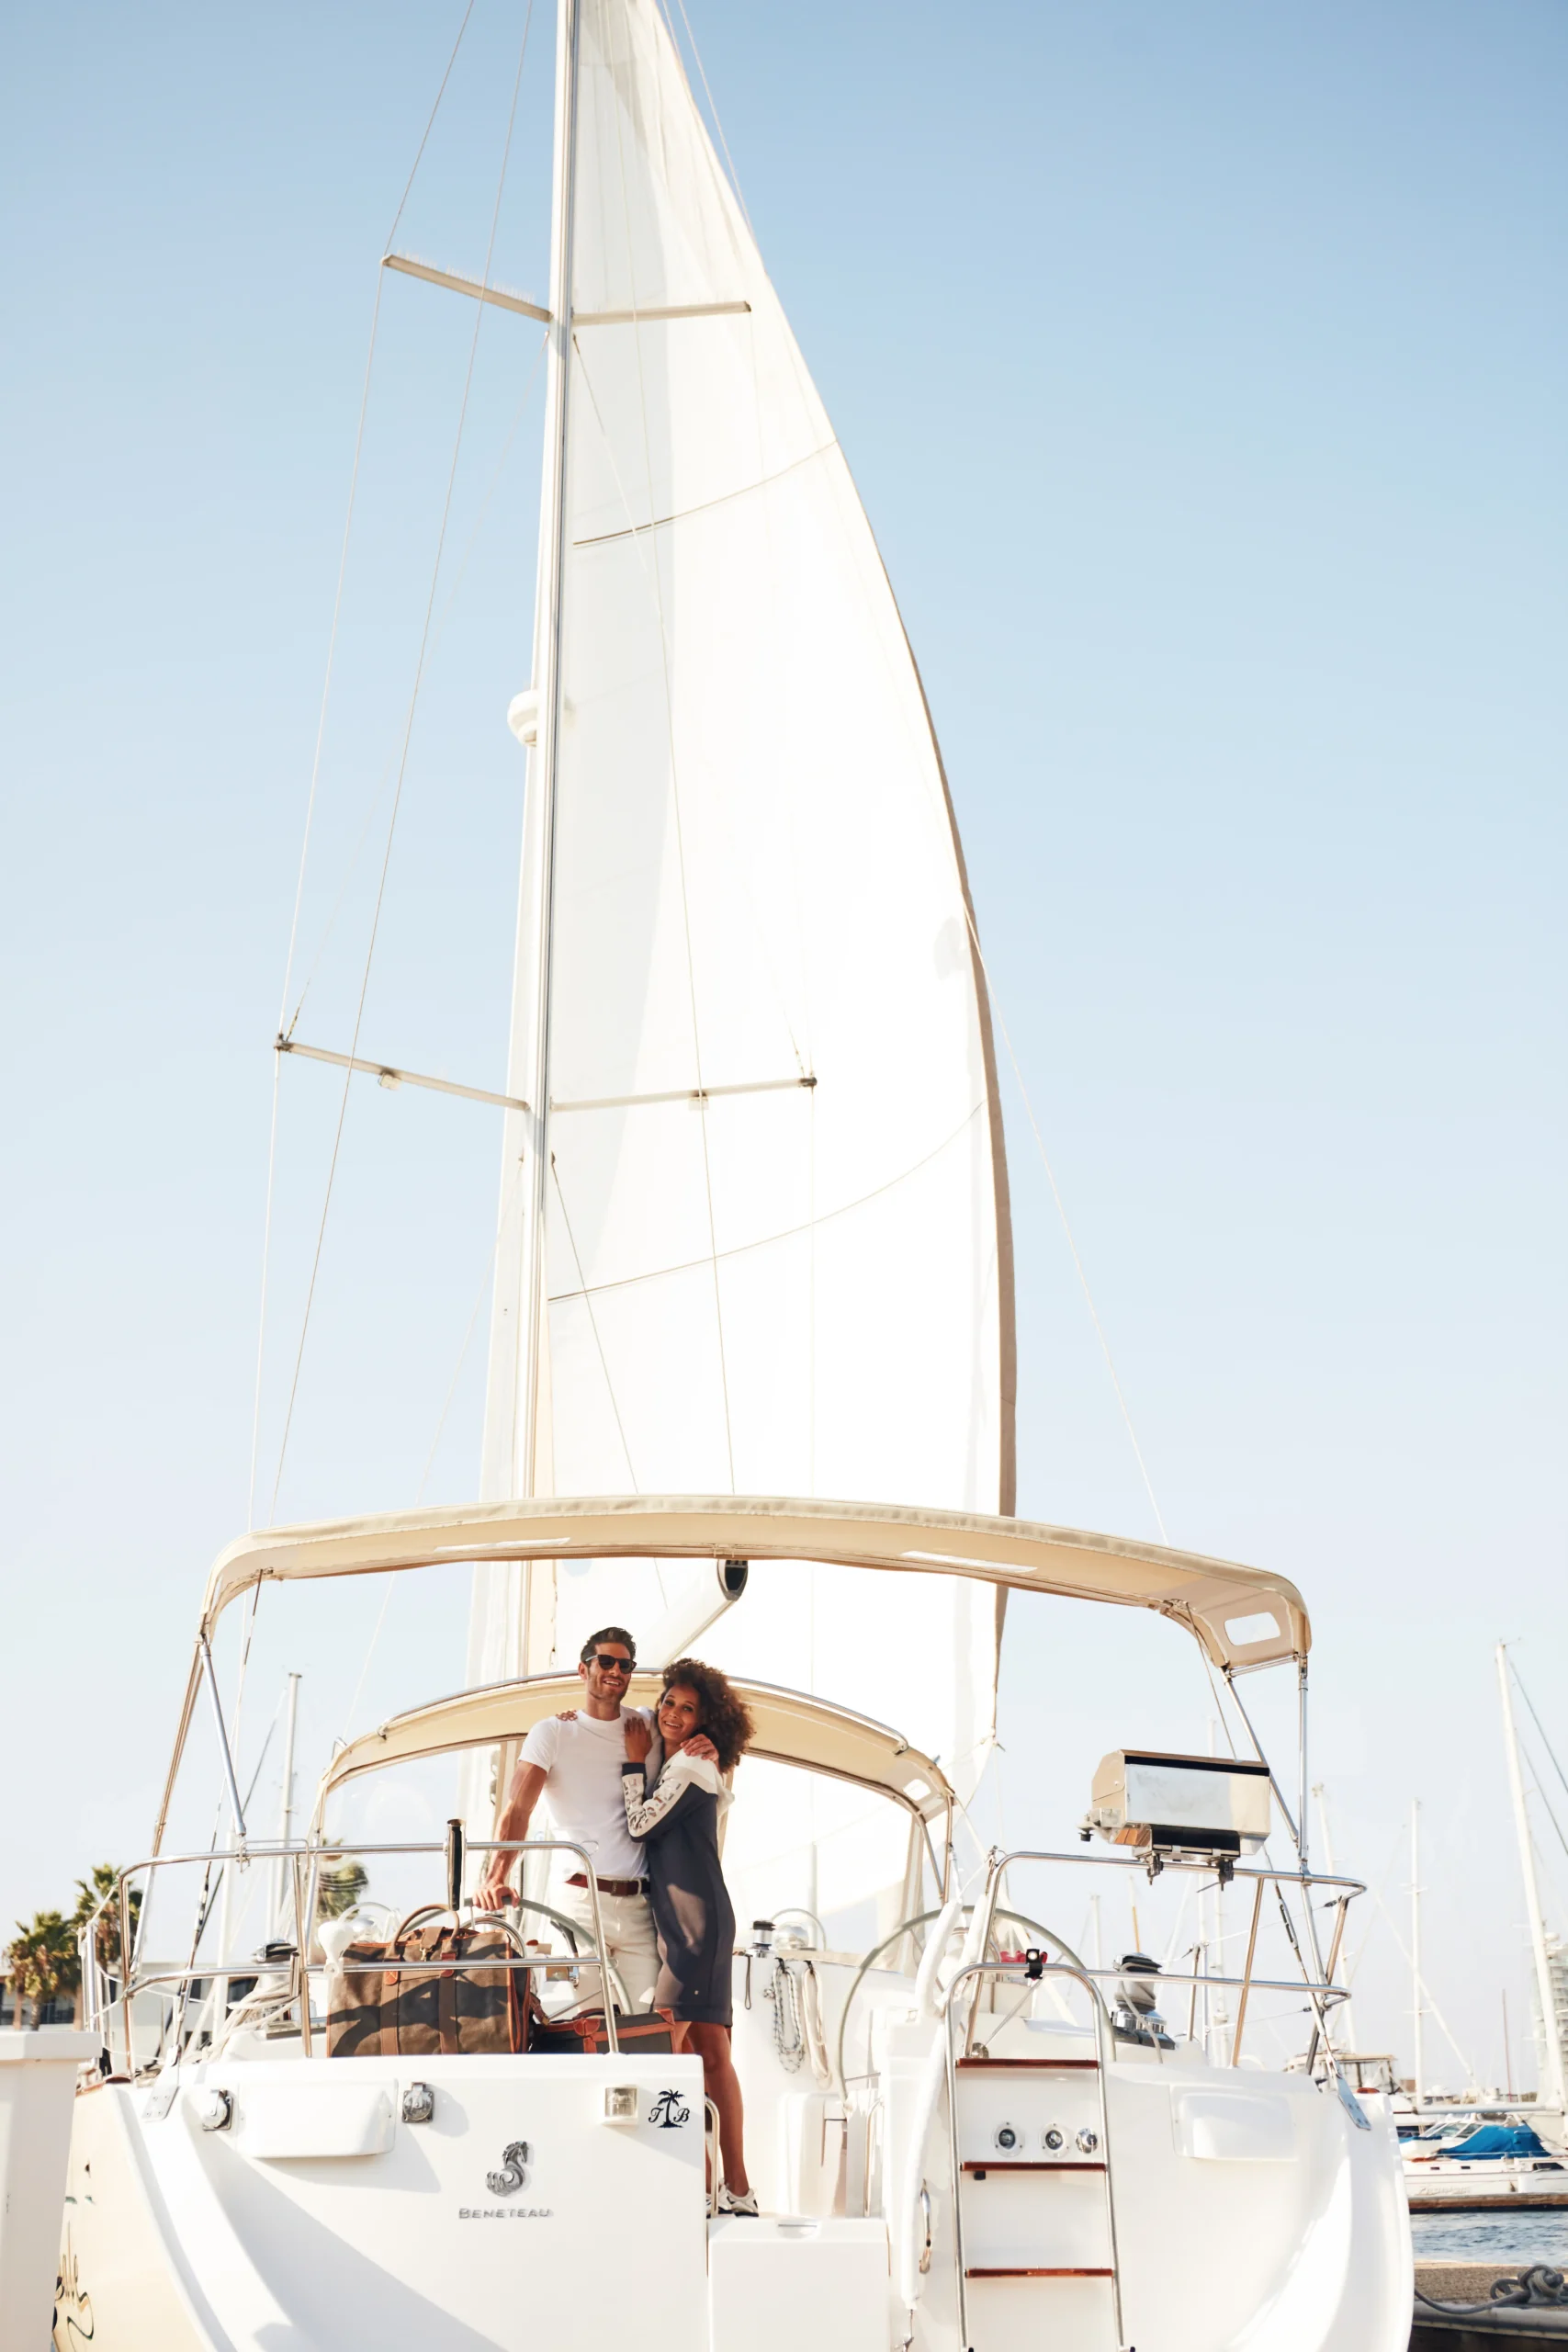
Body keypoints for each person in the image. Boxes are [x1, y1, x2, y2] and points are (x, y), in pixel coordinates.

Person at [477, 1627, 715, 2014]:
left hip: (641, 1906)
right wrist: (497, 1876)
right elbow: (518, 1809)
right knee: (581, 2019)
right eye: (605, 1661)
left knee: (646, 2025)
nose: (615, 1670)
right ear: (582, 1670)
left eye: (625, 1664)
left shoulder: (650, 1724)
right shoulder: (554, 1732)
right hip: (580, 1903)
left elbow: (689, 1732)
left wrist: (712, 1744)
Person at [622, 1657, 756, 2216]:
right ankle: (736, 2192)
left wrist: (633, 1765)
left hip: (696, 1926)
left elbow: (640, 1826)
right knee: (710, 2052)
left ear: (706, 1721)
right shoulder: (690, 1761)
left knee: (676, 2048)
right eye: (668, 1703)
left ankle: (702, 2189)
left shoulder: (694, 1769)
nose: (672, 1714)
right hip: (692, 1920)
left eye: (687, 1708)